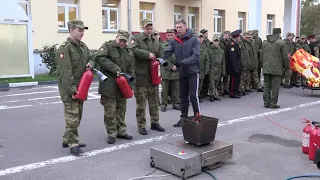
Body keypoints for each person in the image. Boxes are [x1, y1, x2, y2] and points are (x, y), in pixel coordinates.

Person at [56, 20, 94, 156]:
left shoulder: (83, 46)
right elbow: (66, 72)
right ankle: (73, 144)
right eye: (80, 30)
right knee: (72, 118)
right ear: (71, 30)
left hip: (81, 87)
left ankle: (67, 139)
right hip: (70, 90)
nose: (82, 33)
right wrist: (72, 90)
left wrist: (90, 63)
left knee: (77, 116)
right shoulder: (65, 48)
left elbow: (91, 58)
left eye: (83, 30)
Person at [94, 30, 134, 144]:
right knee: (110, 111)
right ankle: (111, 133)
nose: (122, 43)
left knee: (121, 109)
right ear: (116, 37)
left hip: (123, 85)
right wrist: (114, 68)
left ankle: (121, 131)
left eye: (124, 41)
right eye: (120, 40)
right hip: (108, 85)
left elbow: (131, 70)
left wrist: (131, 86)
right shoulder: (107, 46)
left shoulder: (129, 52)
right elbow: (99, 58)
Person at [128, 19, 165, 135]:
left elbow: (160, 57)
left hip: (153, 77)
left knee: (154, 102)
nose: (149, 30)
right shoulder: (136, 39)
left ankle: (155, 123)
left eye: (151, 28)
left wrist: (160, 75)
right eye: (147, 28)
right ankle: (141, 126)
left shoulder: (156, 40)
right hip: (141, 77)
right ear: (142, 28)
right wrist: (147, 54)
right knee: (141, 104)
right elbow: (132, 50)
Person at [162, 18, 201, 127]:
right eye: (177, 27)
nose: (178, 29)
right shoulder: (175, 40)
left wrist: (182, 63)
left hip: (193, 72)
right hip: (182, 73)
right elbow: (167, 52)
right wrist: (158, 58)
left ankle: (197, 116)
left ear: (186, 27)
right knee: (183, 96)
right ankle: (183, 118)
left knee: (193, 96)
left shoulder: (193, 39)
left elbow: (196, 56)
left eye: (180, 27)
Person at [260, 28, 289, 109]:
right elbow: (285, 57)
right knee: (275, 87)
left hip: (266, 67)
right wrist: (287, 67)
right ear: (279, 33)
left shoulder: (264, 43)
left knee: (266, 86)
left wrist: (263, 65)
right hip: (276, 68)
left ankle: (266, 103)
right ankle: (273, 103)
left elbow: (261, 56)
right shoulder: (281, 43)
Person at [160, 29, 180, 112]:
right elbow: (161, 57)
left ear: (174, 35)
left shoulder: (179, 44)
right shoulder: (162, 45)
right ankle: (164, 104)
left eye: (171, 35)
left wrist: (177, 66)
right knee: (164, 90)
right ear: (166, 36)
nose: (170, 36)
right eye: (168, 35)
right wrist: (171, 66)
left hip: (176, 70)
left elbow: (182, 56)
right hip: (166, 70)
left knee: (176, 89)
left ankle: (176, 103)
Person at [225, 30, 242, 99]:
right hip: (233, 66)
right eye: (239, 37)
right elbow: (233, 58)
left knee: (237, 80)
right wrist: (235, 68)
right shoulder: (231, 45)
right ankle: (232, 92)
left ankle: (236, 91)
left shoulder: (235, 44)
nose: (240, 38)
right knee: (233, 80)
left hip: (237, 65)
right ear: (236, 37)